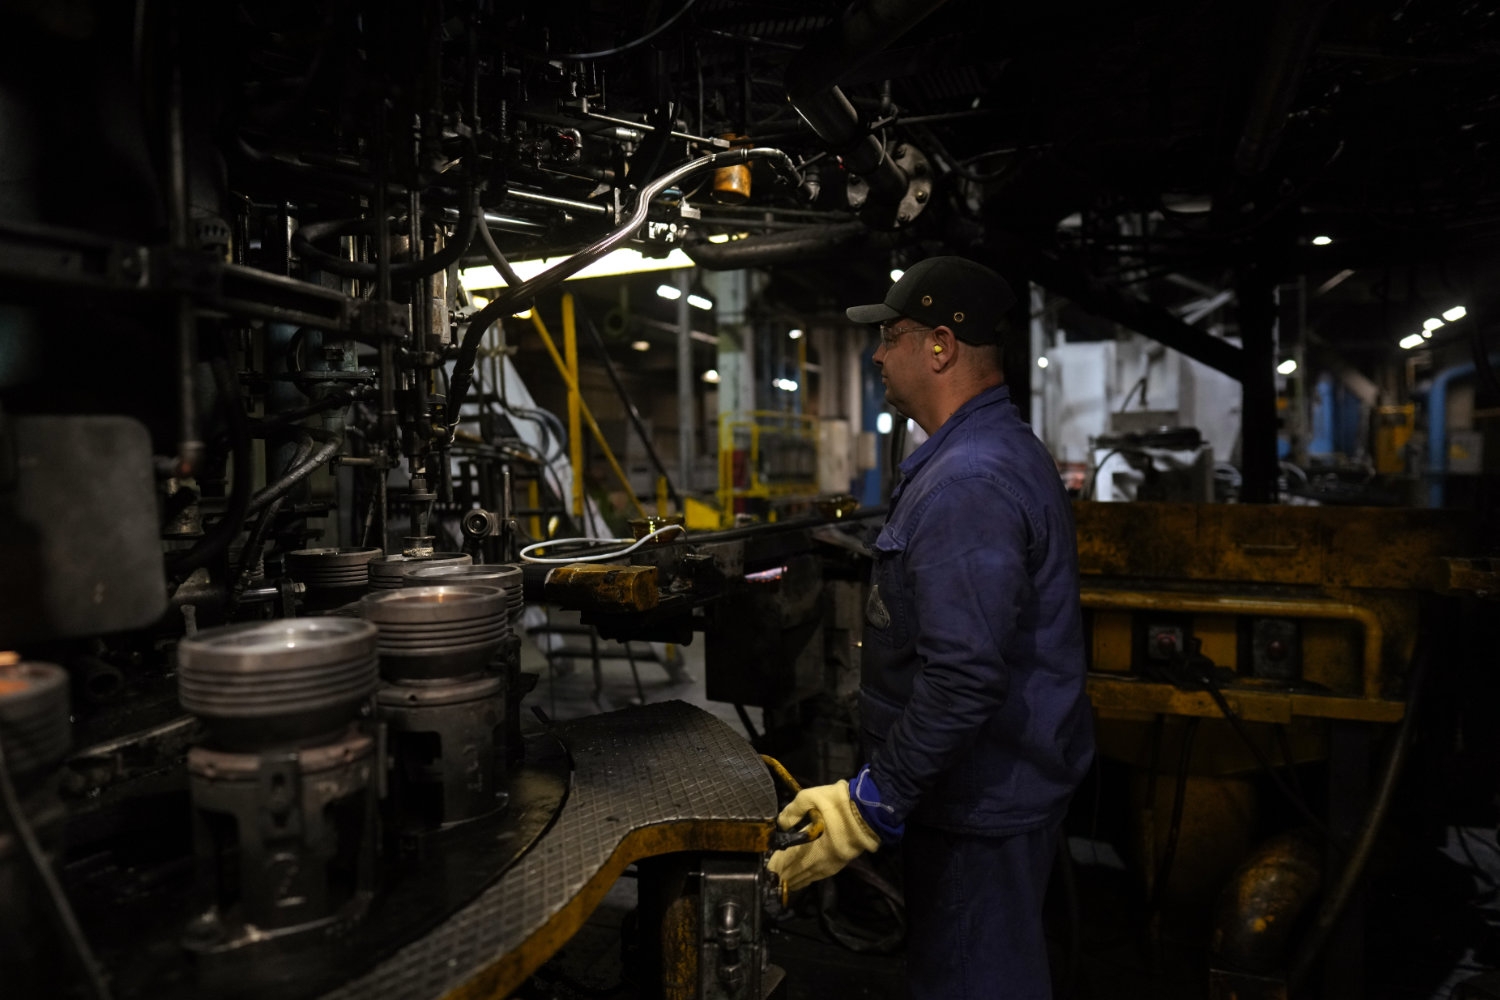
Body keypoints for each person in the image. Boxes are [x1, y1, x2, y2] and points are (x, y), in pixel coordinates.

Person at [767, 256, 1095, 999]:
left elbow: (963, 678)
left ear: (941, 347)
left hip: (980, 804)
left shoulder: (969, 481)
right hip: (986, 793)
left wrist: (869, 802)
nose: (878, 353)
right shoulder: (979, 455)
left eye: (893, 335)